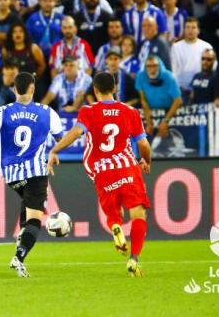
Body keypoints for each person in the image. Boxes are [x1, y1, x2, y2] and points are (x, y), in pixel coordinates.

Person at [0, 72, 64, 278]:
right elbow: (62, 139)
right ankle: (19, 257)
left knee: (28, 204)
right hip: (35, 172)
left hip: (10, 174)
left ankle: (21, 237)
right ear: (33, 89)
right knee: (35, 219)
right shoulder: (48, 112)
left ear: (14, 89)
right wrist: (54, 154)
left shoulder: (2, 111)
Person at [49, 72, 152, 278]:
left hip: (101, 169)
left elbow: (76, 133)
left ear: (95, 90)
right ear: (115, 89)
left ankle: (115, 227)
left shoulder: (88, 110)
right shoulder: (130, 111)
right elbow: (142, 144)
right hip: (126, 166)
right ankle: (134, 259)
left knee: (113, 212)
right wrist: (146, 160)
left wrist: (54, 150)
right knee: (138, 213)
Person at [136, 55, 182, 136]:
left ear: (160, 66)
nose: (152, 69)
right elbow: (143, 100)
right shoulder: (141, 76)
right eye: (149, 66)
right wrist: (149, 121)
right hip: (151, 111)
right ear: (145, 67)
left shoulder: (169, 77)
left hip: (169, 110)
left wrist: (166, 121)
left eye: (155, 66)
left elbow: (178, 100)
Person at [170, 18, 213, 95]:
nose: (190, 30)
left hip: (201, 87)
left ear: (198, 30)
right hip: (181, 89)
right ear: (184, 30)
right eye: (188, 27)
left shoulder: (206, 46)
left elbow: (212, 69)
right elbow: (173, 69)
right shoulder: (176, 47)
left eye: (193, 27)